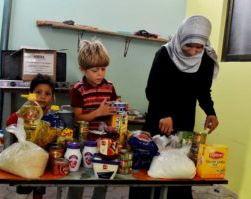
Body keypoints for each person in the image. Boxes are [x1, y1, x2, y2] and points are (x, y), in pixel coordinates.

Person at [129, 15, 219, 199]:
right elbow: (152, 90)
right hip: (158, 120)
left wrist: (211, 112)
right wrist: (164, 114)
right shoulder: (165, 54)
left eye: (199, 47)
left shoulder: (206, 60)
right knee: (148, 170)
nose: (194, 52)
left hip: (185, 122)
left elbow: (203, 91)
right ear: (180, 38)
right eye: (189, 46)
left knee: (179, 170)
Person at [68, 39, 119, 199]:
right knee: (79, 177)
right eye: (95, 70)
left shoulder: (109, 86)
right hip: (85, 141)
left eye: (103, 69)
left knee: (103, 175)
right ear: (83, 69)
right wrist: (98, 112)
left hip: (105, 141)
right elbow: (78, 118)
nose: (101, 74)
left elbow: (114, 111)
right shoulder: (78, 89)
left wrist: (120, 110)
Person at [6, 73, 55, 199]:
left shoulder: (52, 114)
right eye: (38, 92)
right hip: (24, 157)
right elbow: (9, 122)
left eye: (47, 93)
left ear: (52, 97)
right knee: (23, 188)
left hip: (42, 157)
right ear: (31, 93)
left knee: (39, 186)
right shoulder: (26, 110)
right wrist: (21, 112)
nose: (42, 96)